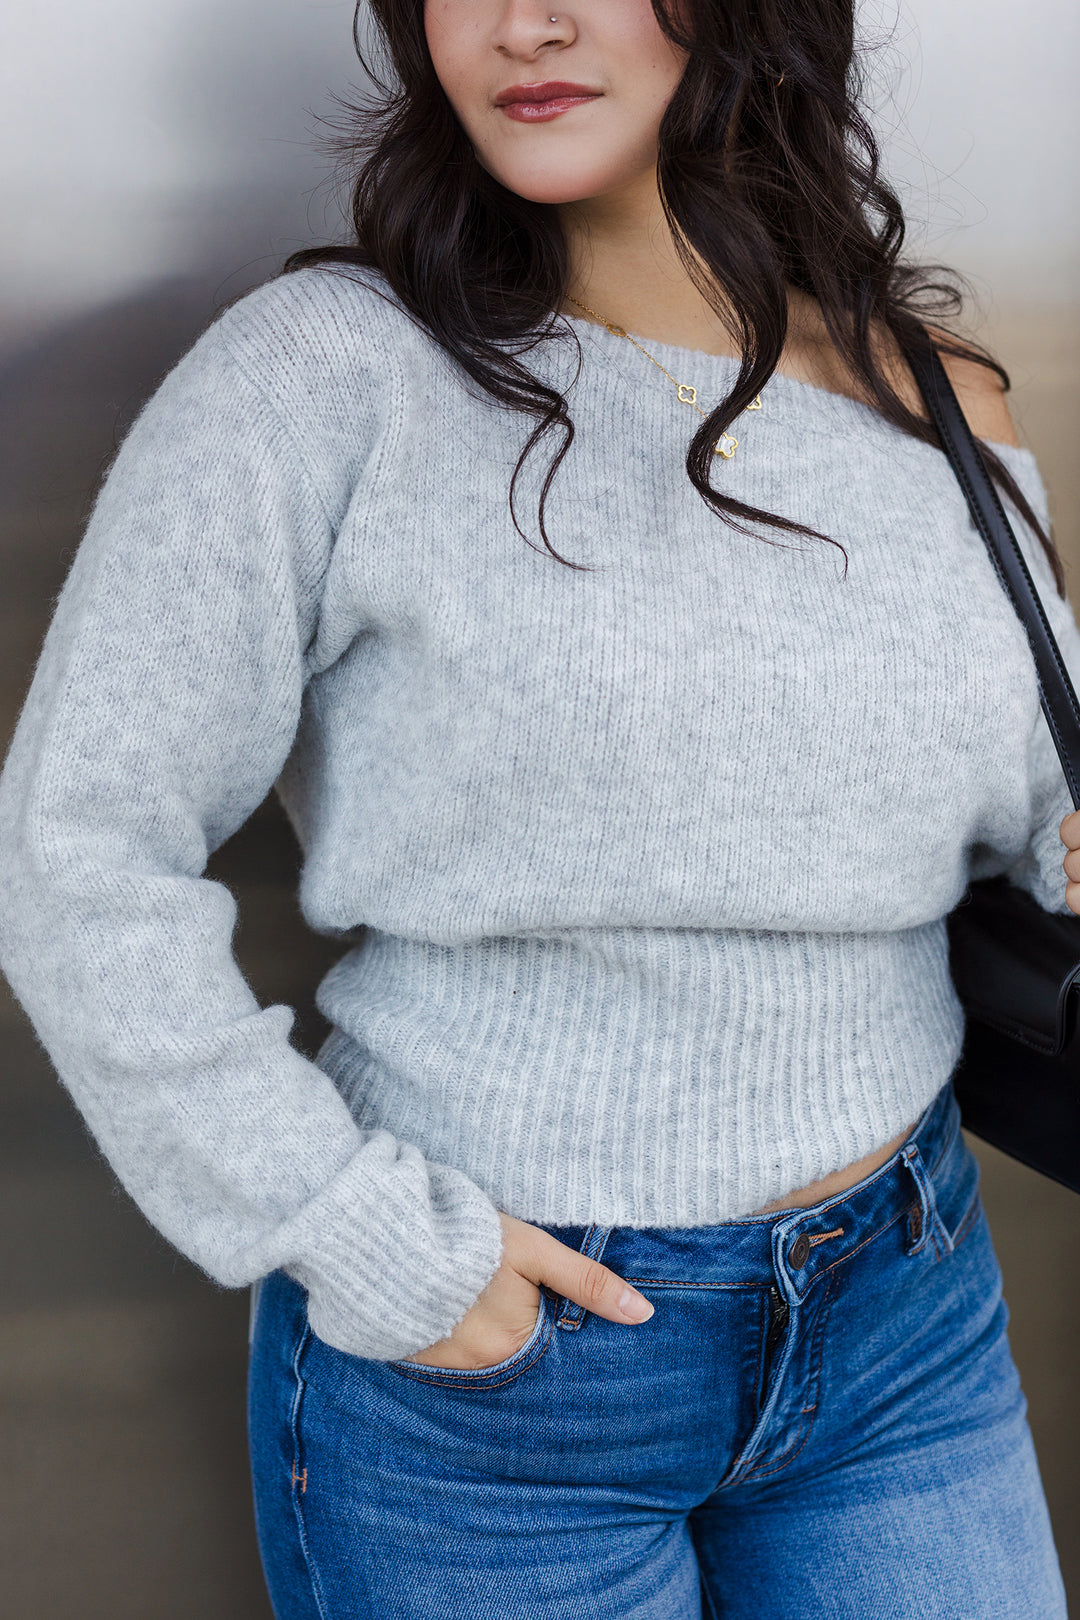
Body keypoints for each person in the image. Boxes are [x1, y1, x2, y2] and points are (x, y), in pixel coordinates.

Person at [0, 0, 1077, 1612]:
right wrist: (357, 1237)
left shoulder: (943, 397)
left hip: (905, 1314)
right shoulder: (333, 376)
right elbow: (76, 844)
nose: (526, 21)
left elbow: (1012, 807)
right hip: (494, 1386)